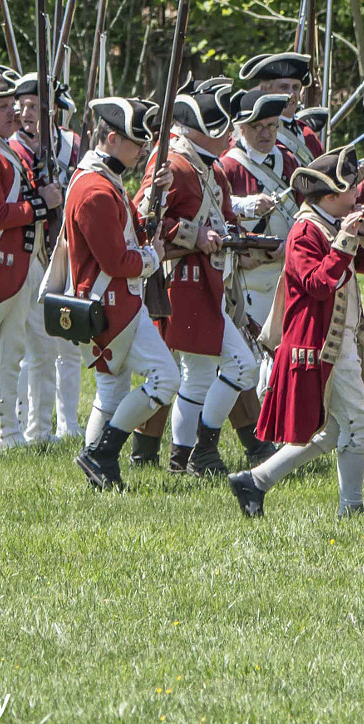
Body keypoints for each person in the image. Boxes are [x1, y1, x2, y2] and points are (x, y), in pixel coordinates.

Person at [227, 146, 364, 518]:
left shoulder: (334, 223)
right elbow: (317, 284)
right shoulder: (304, 230)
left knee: (334, 430)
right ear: (331, 197)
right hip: (319, 346)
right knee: (360, 421)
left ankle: (256, 480)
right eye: (351, 191)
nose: (357, 195)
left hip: (343, 341)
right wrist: (345, 242)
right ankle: (352, 508)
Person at [65, 97, 178, 491]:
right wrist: (152, 258)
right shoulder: (95, 190)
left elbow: (131, 227)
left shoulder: (101, 180)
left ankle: (97, 468)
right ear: (111, 139)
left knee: (111, 388)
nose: (143, 149)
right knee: (166, 379)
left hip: (113, 303)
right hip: (113, 305)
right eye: (135, 142)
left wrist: (154, 196)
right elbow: (116, 260)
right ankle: (104, 453)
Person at [144, 90, 252, 477]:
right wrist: (194, 235)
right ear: (200, 129)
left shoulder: (211, 167)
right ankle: (202, 450)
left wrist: (239, 237)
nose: (229, 135)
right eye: (220, 127)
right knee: (243, 366)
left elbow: (223, 218)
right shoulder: (173, 163)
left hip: (211, 281)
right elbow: (147, 217)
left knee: (200, 375)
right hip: (184, 283)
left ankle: (184, 456)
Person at [0, 64, 64, 451]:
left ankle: (39, 428)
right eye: (2, 107)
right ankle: (7, 432)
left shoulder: (1, 148)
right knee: (9, 353)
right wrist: (40, 203)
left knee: (43, 347)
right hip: (5, 264)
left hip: (27, 261)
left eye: (11, 105)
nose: (13, 112)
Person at [214, 86, 297, 464]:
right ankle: (261, 439)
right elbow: (217, 216)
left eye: (272, 125)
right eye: (257, 126)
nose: (266, 133)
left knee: (280, 358)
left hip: (285, 275)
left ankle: (277, 435)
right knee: (255, 359)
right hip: (249, 279)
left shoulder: (288, 162)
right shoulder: (228, 167)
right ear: (240, 128)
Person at [16, 73, 86, 442]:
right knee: (37, 348)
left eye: (35, 106)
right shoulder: (15, 149)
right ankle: (34, 425)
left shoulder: (74, 144)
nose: (27, 113)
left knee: (69, 345)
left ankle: (68, 424)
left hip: (68, 249)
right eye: (23, 106)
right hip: (36, 252)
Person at [238, 52, 324, 160]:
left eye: (295, 87)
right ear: (265, 90)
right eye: (284, 87)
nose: (291, 94)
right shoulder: (254, 133)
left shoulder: (307, 133)